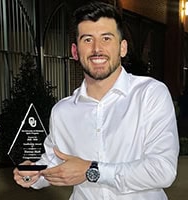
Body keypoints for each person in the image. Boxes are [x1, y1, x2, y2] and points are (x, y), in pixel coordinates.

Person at [13, 2, 179, 199]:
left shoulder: (150, 94)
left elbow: (162, 170)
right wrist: (32, 172)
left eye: (106, 38)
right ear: (75, 52)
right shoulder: (63, 111)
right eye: (87, 40)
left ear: (122, 47)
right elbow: (54, 162)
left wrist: (92, 171)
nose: (97, 49)